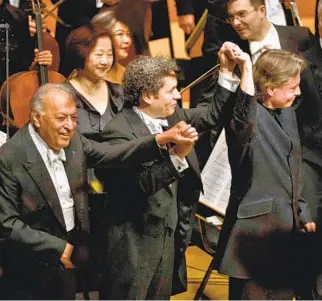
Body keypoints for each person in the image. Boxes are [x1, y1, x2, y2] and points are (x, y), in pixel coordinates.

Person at [0, 82, 199, 299]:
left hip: (69, 262)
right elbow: (6, 224)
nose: (69, 126)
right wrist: (61, 249)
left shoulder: (73, 140)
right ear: (37, 118)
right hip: (30, 267)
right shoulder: (9, 158)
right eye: (61, 118)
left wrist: (162, 139)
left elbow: (111, 153)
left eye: (73, 118)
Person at [98, 52, 248, 299]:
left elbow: (211, 115)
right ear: (147, 95)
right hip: (134, 242)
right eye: (171, 91)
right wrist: (177, 156)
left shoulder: (171, 115)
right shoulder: (119, 132)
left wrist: (226, 72)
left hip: (167, 236)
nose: (178, 96)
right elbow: (140, 185)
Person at [213, 44, 315, 299]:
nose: (298, 92)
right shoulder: (246, 120)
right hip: (253, 240)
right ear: (270, 89)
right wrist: (246, 67)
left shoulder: (287, 113)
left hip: (285, 235)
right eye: (292, 87)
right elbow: (243, 112)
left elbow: (292, 169)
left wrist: (302, 212)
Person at [91, 10, 132, 83]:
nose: (127, 40)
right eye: (120, 34)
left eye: (128, 34)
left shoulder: (125, 73)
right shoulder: (87, 74)